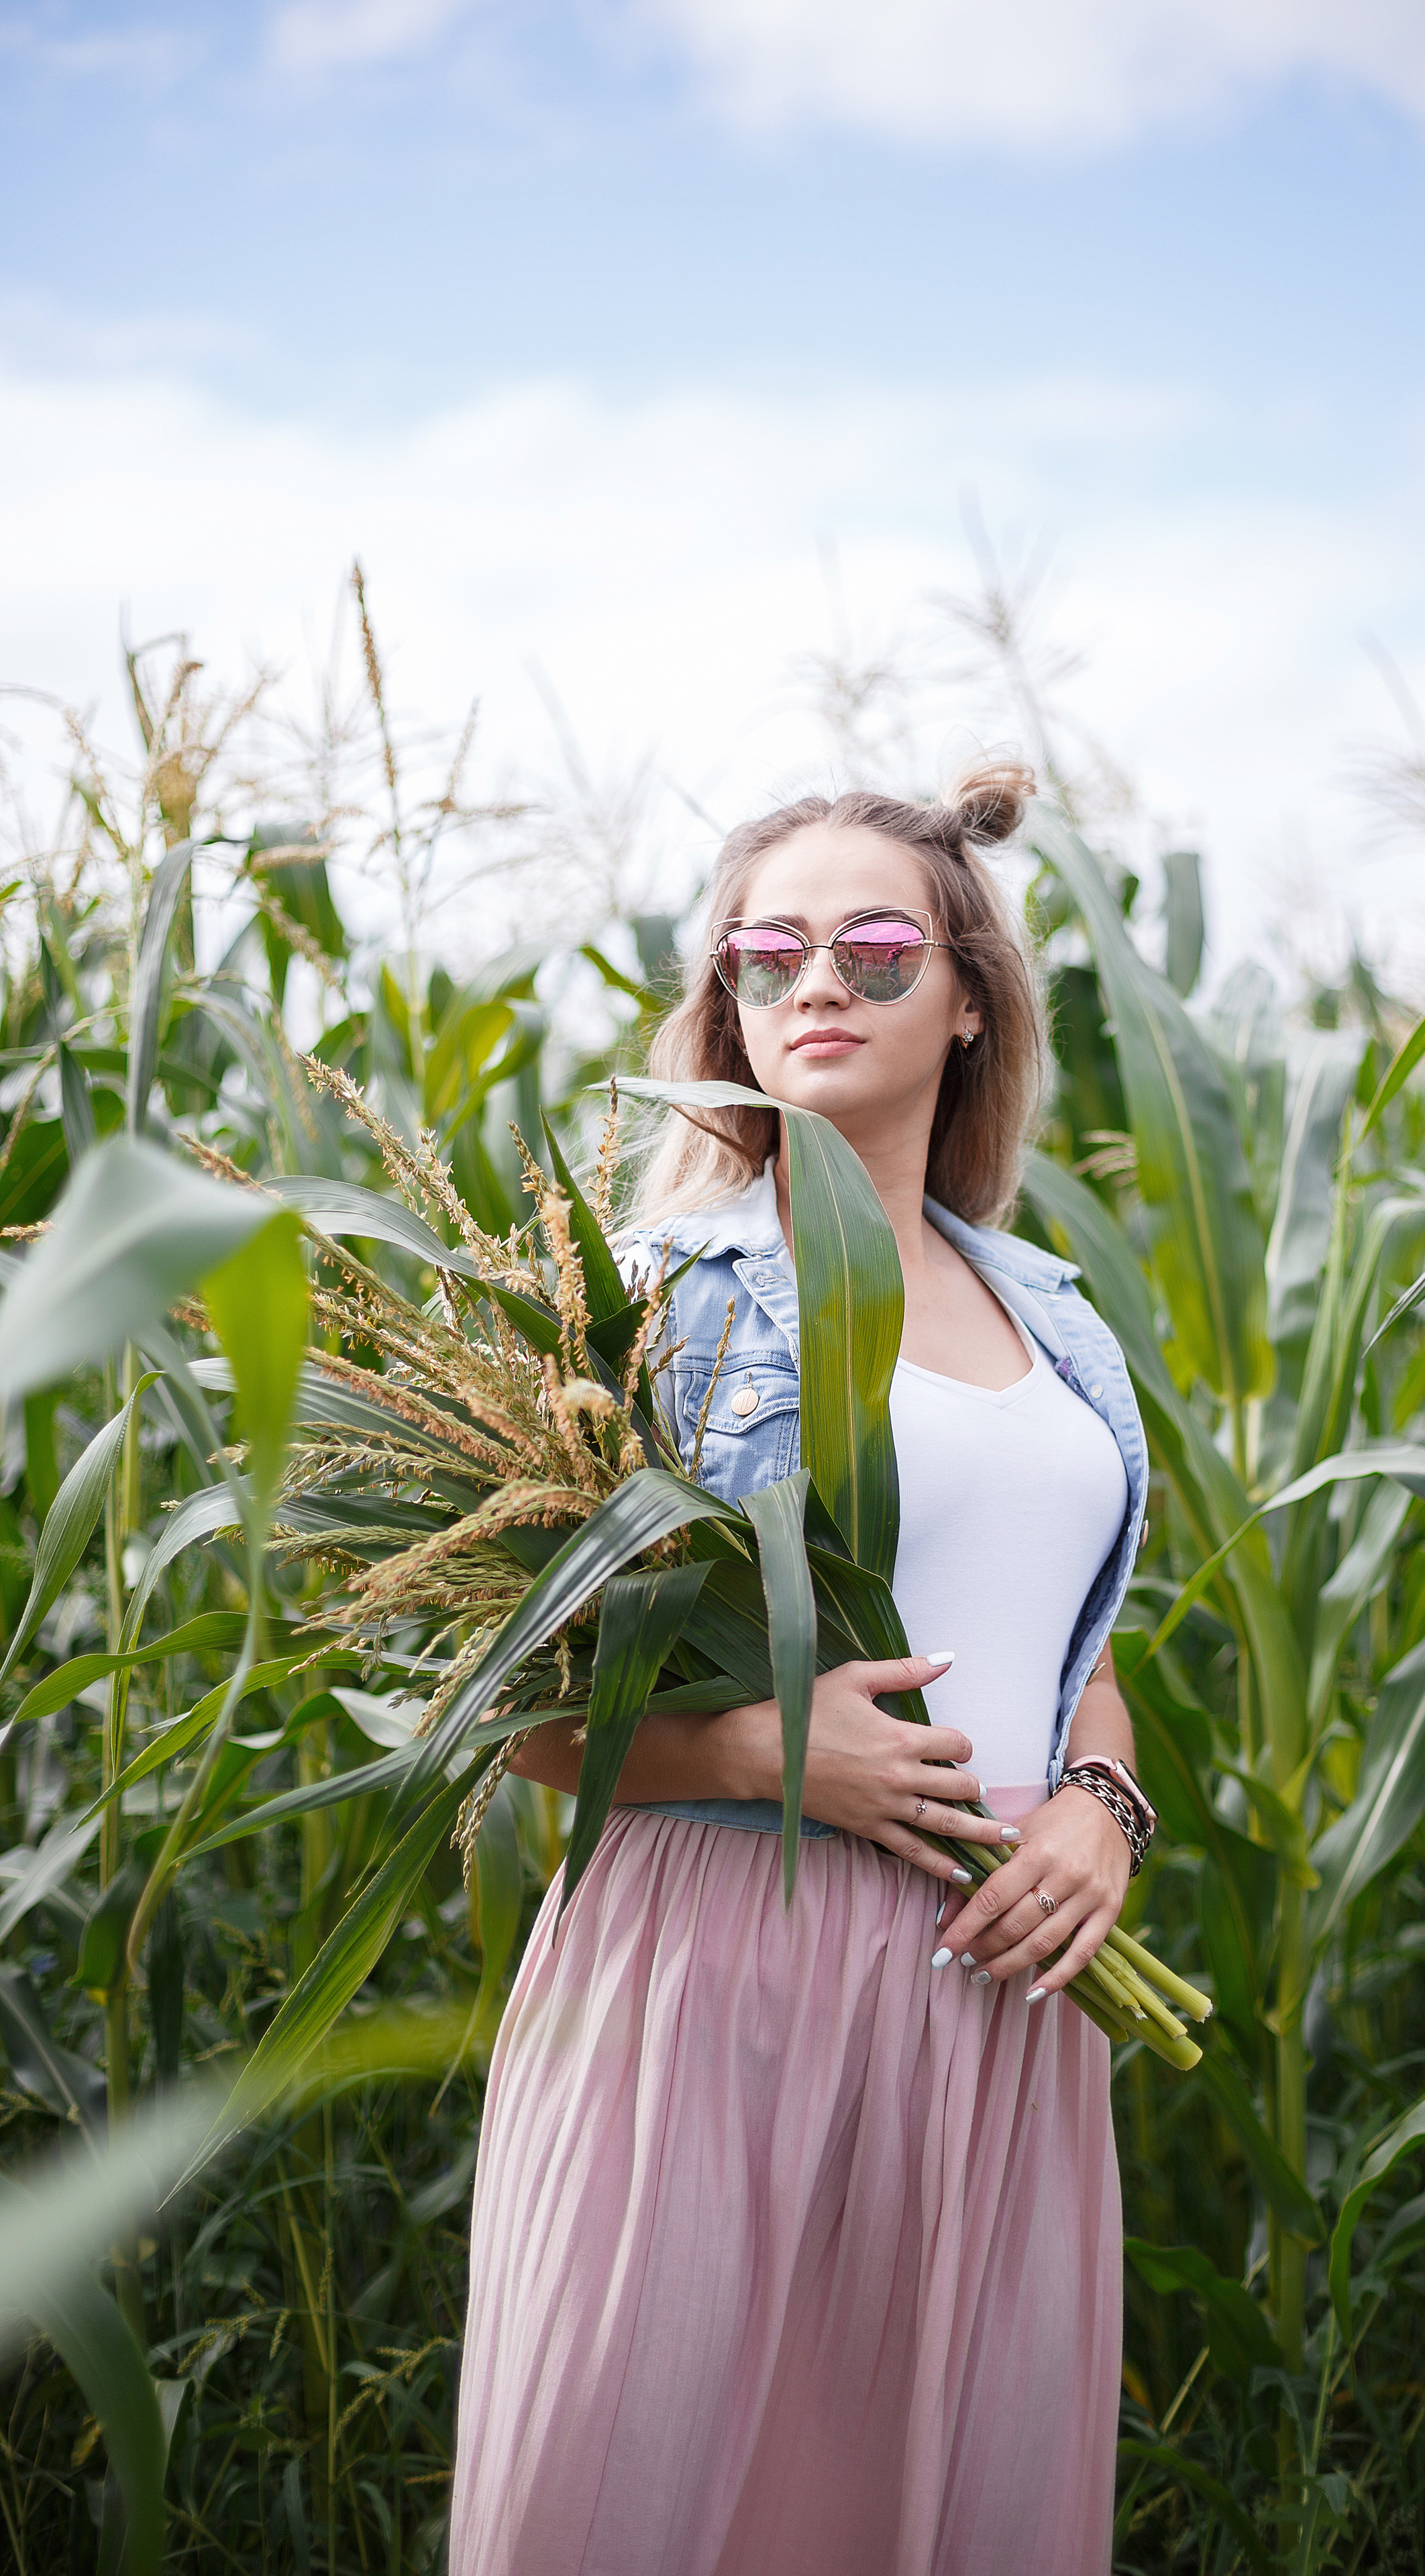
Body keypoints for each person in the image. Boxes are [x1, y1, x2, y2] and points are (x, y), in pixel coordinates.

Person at [447, 761, 1153, 2576]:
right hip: (721, 1966)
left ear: (974, 994)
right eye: (768, 958)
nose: (814, 985)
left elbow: (1071, 1649)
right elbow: (506, 1705)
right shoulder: (639, 1299)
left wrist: (1099, 1805)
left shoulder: (1052, 1317)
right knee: (650, 2498)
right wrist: (772, 1753)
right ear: (726, 1009)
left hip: (1003, 1998)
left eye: (873, 949)